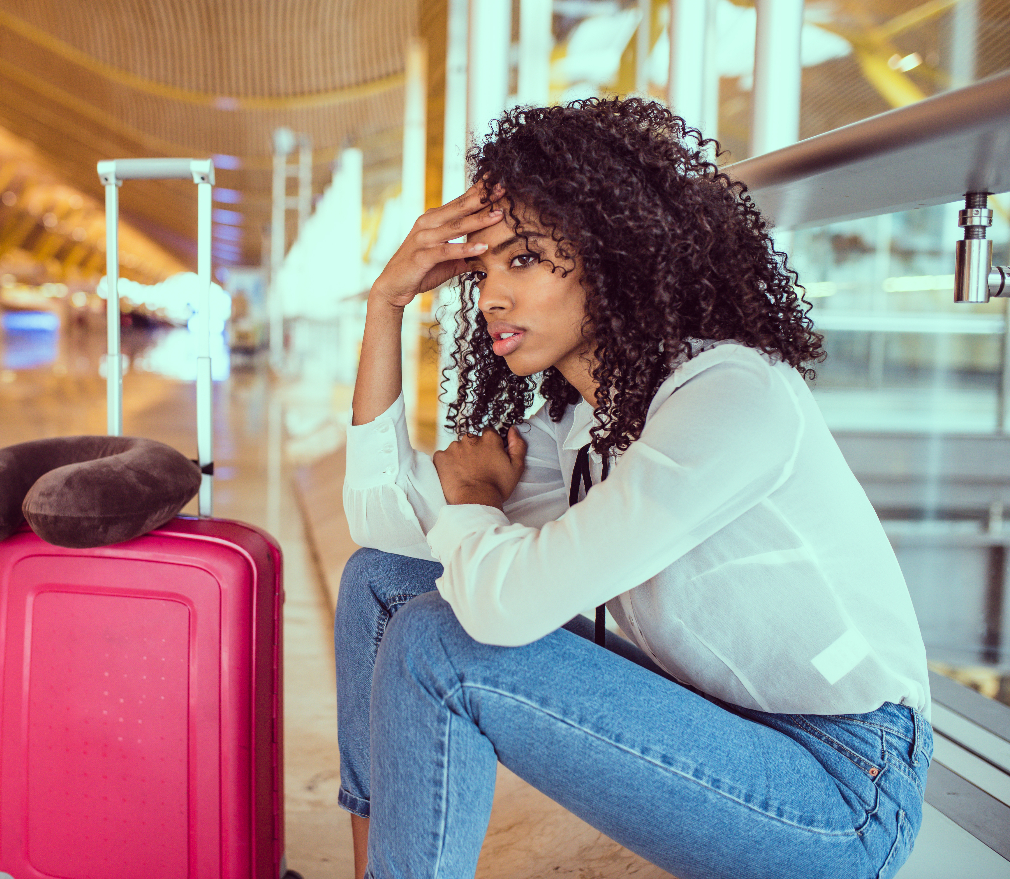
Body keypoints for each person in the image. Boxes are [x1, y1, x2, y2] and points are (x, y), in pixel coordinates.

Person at [336, 97, 931, 879]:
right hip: (722, 729)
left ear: (611, 249)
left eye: (522, 259)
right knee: (381, 584)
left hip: (845, 788)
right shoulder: (582, 428)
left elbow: (503, 608)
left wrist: (476, 504)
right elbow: (379, 519)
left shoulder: (730, 396)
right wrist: (386, 304)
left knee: (440, 641)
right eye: (480, 272)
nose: (490, 298)